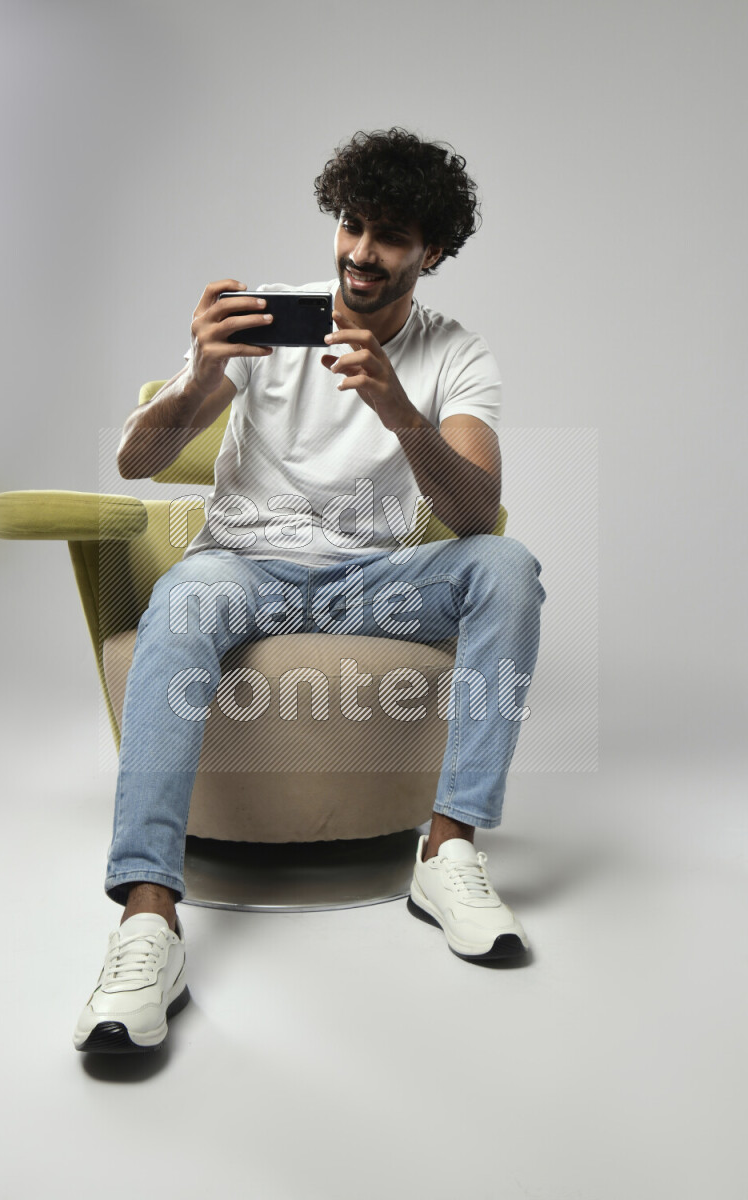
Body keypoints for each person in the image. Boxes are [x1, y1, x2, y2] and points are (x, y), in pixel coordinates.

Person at [73, 128, 546, 1054]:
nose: (361, 252)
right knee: (182, 603)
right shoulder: (268, 320)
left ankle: (448, 849)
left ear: (432, 253)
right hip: (242, 570)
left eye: (391, 235)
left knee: (507, 568)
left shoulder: (456, 353)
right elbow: (136, 460)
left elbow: (475, 512)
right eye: (352, 225)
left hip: (373, 582)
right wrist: (202, 375)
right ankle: (148, 919)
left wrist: (399, 410)